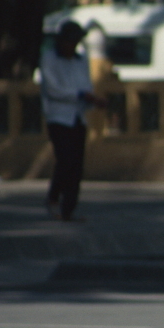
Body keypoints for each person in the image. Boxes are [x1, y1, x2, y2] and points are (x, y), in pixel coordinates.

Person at [40, 20, 105, 222]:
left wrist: (92, 100)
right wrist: (78, 95)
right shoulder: (49, 59)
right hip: (58, 116)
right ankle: (54, 197)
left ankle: (68, 208)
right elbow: (53, 90)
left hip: (77, 117)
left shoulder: (80, 60)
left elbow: (86, 86)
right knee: (65, 160)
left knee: (76, 164)